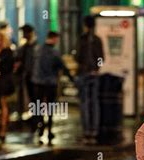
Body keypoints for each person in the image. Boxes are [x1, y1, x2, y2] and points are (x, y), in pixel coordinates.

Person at [32, 31, 73, 146]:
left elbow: (32, 66)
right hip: (50, 83)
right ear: (54, 39)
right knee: (50, 107)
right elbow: (62, 67)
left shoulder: (38, 50)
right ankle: (49, 130)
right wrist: (72, 79)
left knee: (38, 107)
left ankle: (40, 129)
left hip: (37, 82)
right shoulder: (55, 53)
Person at [76, 15, 104, 144]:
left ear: (85, 25)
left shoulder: (82, 39)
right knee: (95, 103)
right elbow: (101, 58)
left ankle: (87, 132)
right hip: (94, 74)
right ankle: (94, 132)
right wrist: (96, 68)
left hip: (84, 74)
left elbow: (78, 57)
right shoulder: (97, 40)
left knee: (85, 103)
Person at [14, 24, 37, 123]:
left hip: (35, 77)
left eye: (25, 33)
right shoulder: (24, 47)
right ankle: (33, 117)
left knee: (35, 98)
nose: (23, 35)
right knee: (30, 97)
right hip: (26, 76)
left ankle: (36, 118)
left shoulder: (35, 47)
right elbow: (18, 58)